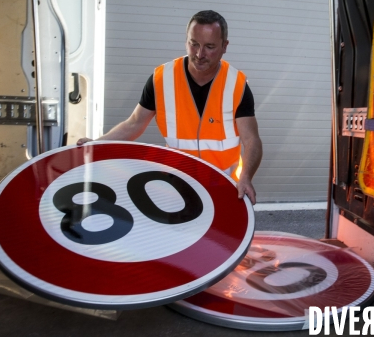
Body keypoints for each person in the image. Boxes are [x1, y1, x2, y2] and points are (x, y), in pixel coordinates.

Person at [77, 10, 263, 204]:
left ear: (225, 46)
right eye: (194, 44)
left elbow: (251, 140)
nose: (199, 54)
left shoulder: (237, 85)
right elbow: (134, 124)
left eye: (209, 47)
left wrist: (246, 177)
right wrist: (98, 144)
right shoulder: (162, 79)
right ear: (186, 41)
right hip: (176, 188)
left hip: (224, 187)